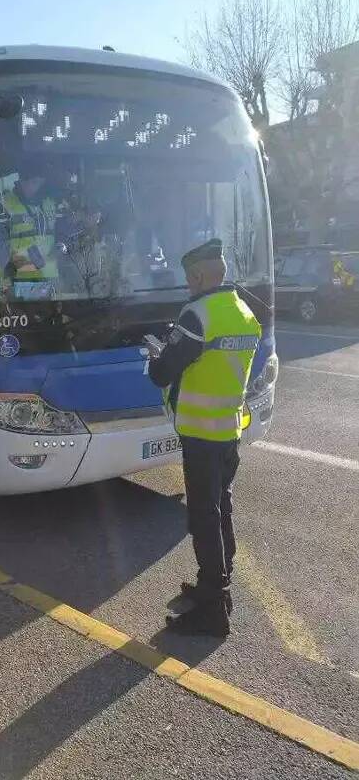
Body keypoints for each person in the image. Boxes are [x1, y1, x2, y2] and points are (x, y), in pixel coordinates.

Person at [146, 239, 261, 636]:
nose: (187, 286)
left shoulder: (198, 315)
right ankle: (218, 585)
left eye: (187, 279)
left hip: (200, 434)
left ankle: (212, 609)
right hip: (228, 430)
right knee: (220, 509)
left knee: (203, 516)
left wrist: (154, 358)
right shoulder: (244, 312)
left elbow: (163, 373)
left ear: (197, 276)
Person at [1, 161, 64, 297]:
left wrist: (61, 246)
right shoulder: (6, 205)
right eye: (35, 183)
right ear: (22, 181)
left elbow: (60, 234)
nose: (38, 188)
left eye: (41, 183)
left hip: (50, 280)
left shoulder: (50, 204)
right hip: (20, 283)